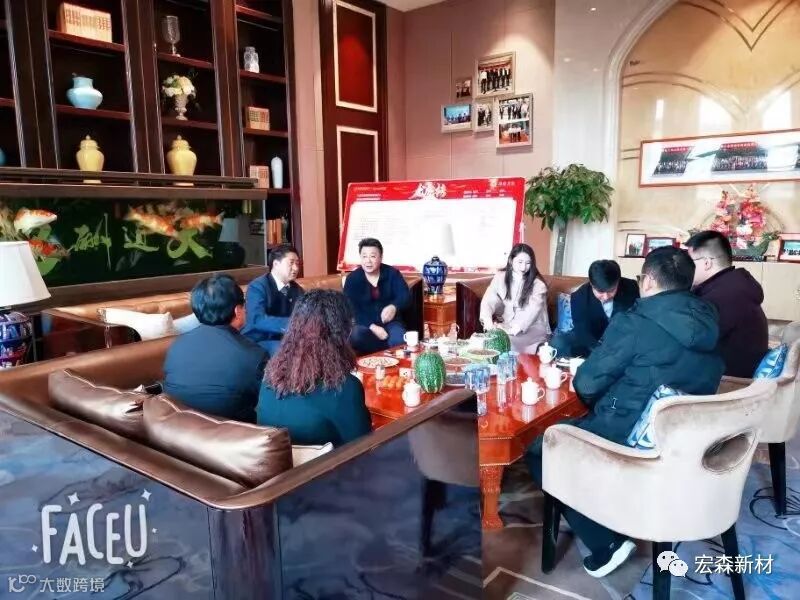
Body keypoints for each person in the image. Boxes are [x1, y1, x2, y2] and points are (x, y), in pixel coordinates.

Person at [525, 247, 724, 578]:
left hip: (632, 437)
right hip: (686, 440)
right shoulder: (710, 318)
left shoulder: (634, 322)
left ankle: (606, 543)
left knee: (543, 446)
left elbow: (587, 382)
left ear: (648, 281)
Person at [257, 289, 372, 446]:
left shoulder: (269, 376)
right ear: (342, 334)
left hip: (276, 461)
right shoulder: (344, 387)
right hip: (328, 462)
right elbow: (363, 446)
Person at [163, 274, 267, 423]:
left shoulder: (176, 345)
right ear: (237, 311)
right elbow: (267, 403)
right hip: (234, 433)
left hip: (176, 429)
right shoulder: (254, 355)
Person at [686, 230, 768, 377]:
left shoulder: (726, 294)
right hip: (724, 369)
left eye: (689, 262)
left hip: (728, 381)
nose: (684, 268)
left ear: (707, 263)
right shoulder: (732, 284)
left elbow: (692, 339)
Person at [551, 259, 639, 358]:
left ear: (618, 282)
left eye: (611, 291)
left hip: (622, 338)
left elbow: (637, 319)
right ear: (592, 285)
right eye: (600, 292)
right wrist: (601, 352)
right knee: (558, 342)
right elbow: (583, 333)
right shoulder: (579, 297)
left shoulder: (632, 287)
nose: (606, 297)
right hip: (592, 338)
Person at [344, 237, 411, 355]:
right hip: (365, 325)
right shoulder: (353, 279)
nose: (368, 261)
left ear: (380, 257)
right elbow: (351, 308)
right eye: (364, 256)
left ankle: (386, 354)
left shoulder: (392, 274)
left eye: (373, 256)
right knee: (356, 336)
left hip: (391, 323)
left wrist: (394, 306)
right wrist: (372, 326)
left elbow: (405, 296)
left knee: (399, 338)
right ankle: (385, 352)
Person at [479, 243, 550, 353]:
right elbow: (488, 301)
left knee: (504, 343)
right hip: (508, 326)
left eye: (528, 263)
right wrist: (489, 324)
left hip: (533, 328)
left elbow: (532, 312)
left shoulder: (538, 285)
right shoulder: (500, 278)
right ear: (511, 260)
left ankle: (536, 349)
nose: (523, 267)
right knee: (483, 342)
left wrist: (513, 329)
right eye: (520, 262)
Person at [242, 243, 304, 356]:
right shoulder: (258, 286)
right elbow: (257, 319)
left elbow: (304, 316)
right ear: (276, 264)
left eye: (297, 263)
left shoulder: (298, 290)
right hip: (258, 339)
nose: (296, 268)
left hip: (286, 339)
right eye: (291, 263)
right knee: (282, 349)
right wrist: (293, 325)